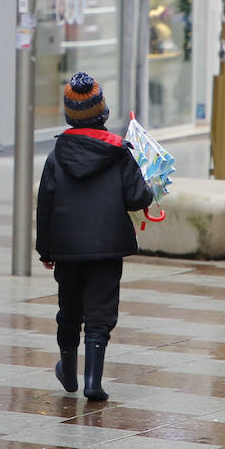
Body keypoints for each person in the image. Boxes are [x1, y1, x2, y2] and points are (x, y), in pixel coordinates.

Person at [35, 72, 154, 402]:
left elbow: (45, 205)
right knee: (100, 313)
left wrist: (46, 250)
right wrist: (149, 188)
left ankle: (68, 370)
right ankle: (93, 382)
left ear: (69, 115)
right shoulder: (119, 153)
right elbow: (136, 199)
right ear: (103, 113)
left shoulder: (57, 155)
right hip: (107, 248)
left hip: (68, 248)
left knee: (69, 309)